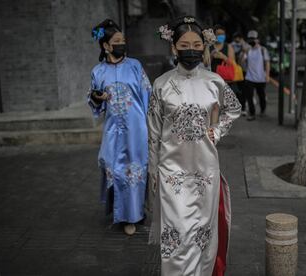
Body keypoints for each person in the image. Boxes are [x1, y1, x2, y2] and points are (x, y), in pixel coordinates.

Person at [148, 16, 241, 276]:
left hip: (205, 170)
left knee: (202, 232)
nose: (192, 50)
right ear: (174, 47)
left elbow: (233, 109)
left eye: (197, 44)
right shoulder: (161, 85)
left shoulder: (214, 82)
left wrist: (217, 131)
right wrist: (152, 171)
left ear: (204, 47)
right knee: (176, 233)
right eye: (185, 44)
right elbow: (153, 132)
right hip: (171, 172)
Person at [88, 19, 152, 236]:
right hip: (113, 130)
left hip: (136, 129)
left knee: (135, 170)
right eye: (117, 41)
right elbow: (95, 101)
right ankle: (120, 213)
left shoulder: (135, 66)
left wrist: (150, 126)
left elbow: (147, 96)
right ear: (106, 45)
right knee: (114, 169)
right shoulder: (98, 71)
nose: (122, 43)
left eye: (123, 40)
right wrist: (98, 98)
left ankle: (133, 216)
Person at [243, 30, 270, 121]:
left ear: (257, 39)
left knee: (261, 96)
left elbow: (267, 63)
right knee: (249, 96)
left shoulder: (263, 50)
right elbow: (241, 62)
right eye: (250, 39)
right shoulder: (248, 50)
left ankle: (263, 110)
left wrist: (267, 75)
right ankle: (252, 113)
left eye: (253, 39)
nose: (251, 41)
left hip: (261, 78)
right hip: (249, 77)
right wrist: (244, 52)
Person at [231, 32, 250, 116]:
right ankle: (236, 106)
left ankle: (243, 107)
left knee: (243, 89)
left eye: (239, 38)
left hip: (244, 71)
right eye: (236, 38)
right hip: (234, 70)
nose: (237, 40)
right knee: (236, 89)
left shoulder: (247, 47)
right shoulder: (231, 46)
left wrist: (244, 49)